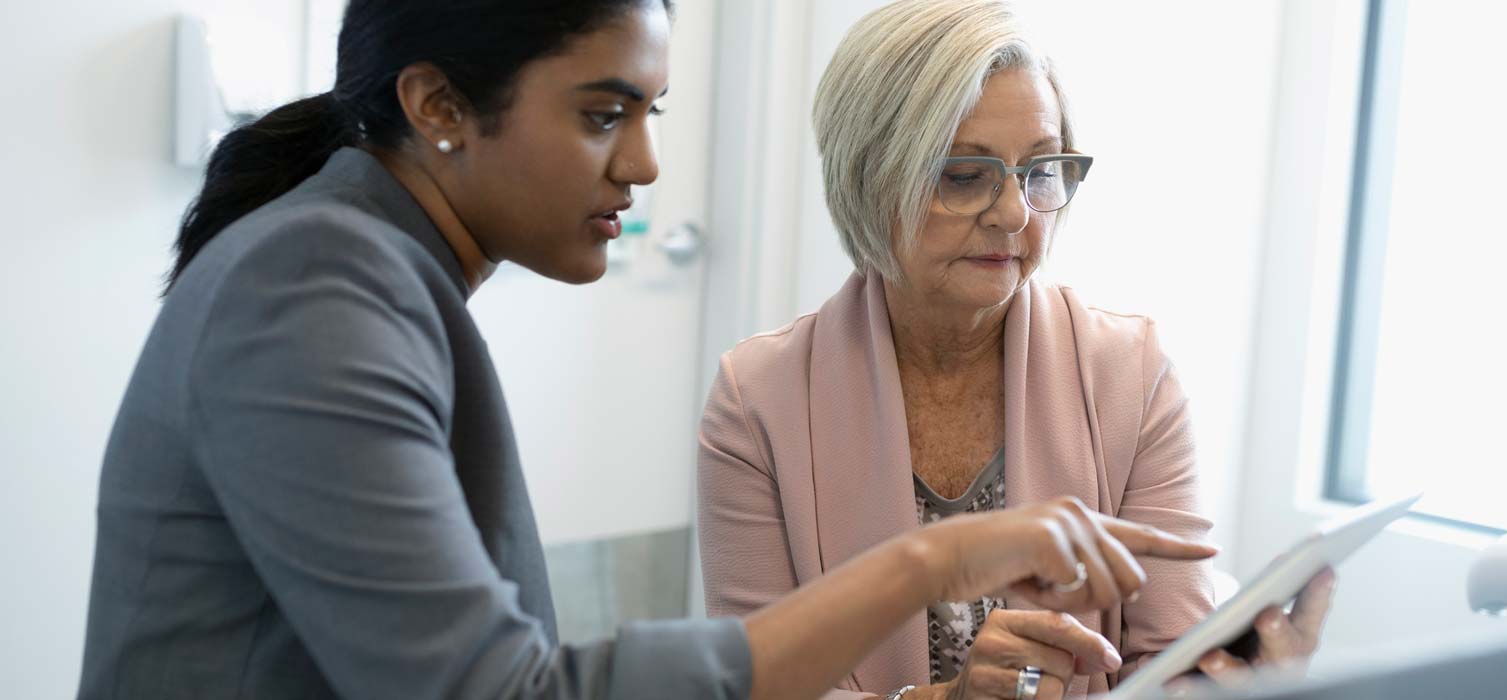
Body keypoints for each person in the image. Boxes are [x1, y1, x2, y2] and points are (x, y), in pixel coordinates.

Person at [77, 1, 1218, 698]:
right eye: (598, 114)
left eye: (649, 115)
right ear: (437, 105)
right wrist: (932, 563)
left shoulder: (364, 277)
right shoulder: (316, 286)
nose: (642, 166)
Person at [696, 1, 1334, 699]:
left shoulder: (1132, 374)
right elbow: (749, 688)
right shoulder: (757, 400)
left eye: (1040, 170)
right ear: (869, 179)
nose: (1014, 214)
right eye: (964, 175)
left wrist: (1240, 684)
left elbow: (1170, 663)